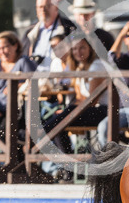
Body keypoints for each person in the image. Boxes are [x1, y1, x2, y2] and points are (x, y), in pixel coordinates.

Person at [42, 37, 111, 181]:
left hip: (105, 111)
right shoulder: (80, 67)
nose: (78, 52)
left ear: (90, 49)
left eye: (82, 48)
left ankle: (42, 135)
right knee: (60, 124)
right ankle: (69, 168)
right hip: (91, 110)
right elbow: (80, 98)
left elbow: (92, 100)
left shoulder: (96, 66)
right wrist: (66, 113)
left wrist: (69, 112)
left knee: (61, 120)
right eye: (74, 49)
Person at [0, 31, 36, 140]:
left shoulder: (24, 62)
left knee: (5, 129)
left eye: (5, 47)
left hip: (17, 110)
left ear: (15, 46)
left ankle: (10, 148)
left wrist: (17, 87)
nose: (2, 52)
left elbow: (36, 84)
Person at [22, 0, 77, 70]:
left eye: (47, 6)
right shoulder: (30, 31)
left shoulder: (69, 28)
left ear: (56, 7)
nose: (43, 10)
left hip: (60, 74)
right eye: (40, 7)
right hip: (34, 74)